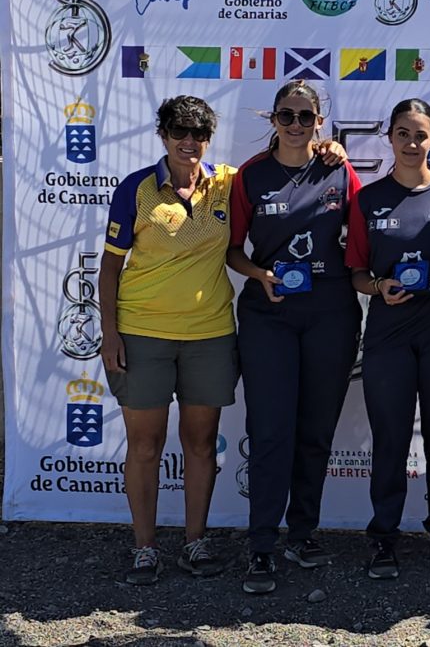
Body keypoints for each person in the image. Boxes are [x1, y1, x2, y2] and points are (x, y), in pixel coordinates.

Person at [227, 81, 359, 594]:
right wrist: (259, 276)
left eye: (307, 117)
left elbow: (363, 237)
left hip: (330, 310)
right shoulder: (252, 176)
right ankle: (261, 545)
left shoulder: (337, 169)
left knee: (315, 430)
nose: (297, 125)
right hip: (270, 312)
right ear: (274, 120)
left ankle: (302, 533)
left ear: (320, 123)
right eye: (288, 116)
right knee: (271, 432)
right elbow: (233, 249)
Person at [99, 95, 237, 585]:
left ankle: (195, 542)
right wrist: (109, 333)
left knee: (200, 444)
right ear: (163, 134)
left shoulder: (226, 182)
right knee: (145, 444)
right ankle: (144, 549)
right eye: (179, 131)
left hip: (209, 334)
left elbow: (279, 172)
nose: (189, 141)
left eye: (198, 133)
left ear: (208, 138)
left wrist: (331, 150)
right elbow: (110, 266)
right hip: (142, 334)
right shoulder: (136, 189)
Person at [345, 98, 430, 580]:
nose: (411, 143)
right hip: (389, 332)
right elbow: (357, 272)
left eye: (420, 134)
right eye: (403, 133)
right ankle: (384, 538)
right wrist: (378, 287)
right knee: (391, 440)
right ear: (390, 138)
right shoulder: (367, 199)